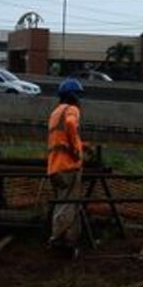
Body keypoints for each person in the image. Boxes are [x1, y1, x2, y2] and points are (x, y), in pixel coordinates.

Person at [47, 77, 85, 250]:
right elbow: (70, 125)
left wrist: (84, 146)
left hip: (54, 167)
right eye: (78, 95)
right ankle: (58, 239)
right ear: (72, 96)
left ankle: (68, 239)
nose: (79, 100)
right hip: (68, 166)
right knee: (69, 203)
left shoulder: (56, 112)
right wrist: (77, 151)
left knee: (63, 202)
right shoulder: (71, 110)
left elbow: (61, 139)